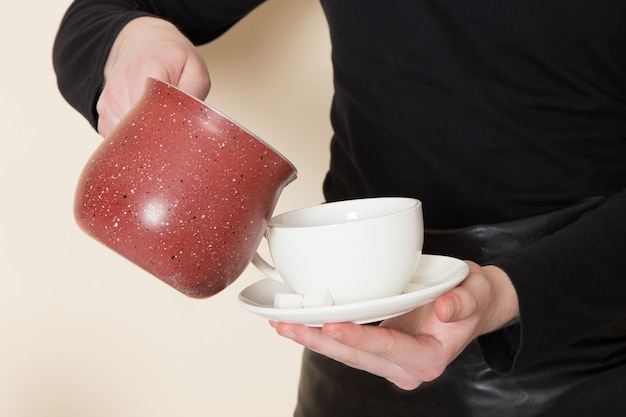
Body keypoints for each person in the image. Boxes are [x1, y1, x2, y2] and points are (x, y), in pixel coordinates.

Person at [53, 1, 626, 416]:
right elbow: (102, 13)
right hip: (350, 339)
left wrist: (507, 294)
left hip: (577, 344)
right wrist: (136, 39)